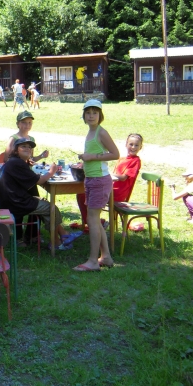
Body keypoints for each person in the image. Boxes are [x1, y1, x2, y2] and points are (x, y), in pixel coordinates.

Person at [0, 137, 73, 250]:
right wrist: (52, 172)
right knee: (51, 209)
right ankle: (55, 243)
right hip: (16, 203)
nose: (28, 149)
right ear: (16, 150)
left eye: (29, 147)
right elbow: (39, 181)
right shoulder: (18, 163)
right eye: (23, 146)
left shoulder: (15, 162)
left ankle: (62, 235)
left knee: (44, 202)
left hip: (9, 200)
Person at [74, 100, 120, 271]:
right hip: (91, 179)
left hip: (100, 180)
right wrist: (85, 160)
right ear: (84, 115)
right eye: (88, 112)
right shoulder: (90, 132)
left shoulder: (102, 132)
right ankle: (105, 257)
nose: (91, 115)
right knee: (94, 219)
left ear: (100, 115)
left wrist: (92, 157)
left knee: (92, 220)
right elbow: (95, 153)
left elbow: (115, 154)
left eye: (95, 112)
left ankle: (93, 261)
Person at [73, 133, 144, 231]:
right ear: (126, 144)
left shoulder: (135, 161)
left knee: (84, 194)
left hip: (118, 193)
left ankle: (92, 223)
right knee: (83, 192)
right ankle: (92, 222)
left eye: (136, 145)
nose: (133, 147)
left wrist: (108, 174)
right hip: (110, 187)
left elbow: (123, 177)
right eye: (131, 144)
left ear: (140, 147)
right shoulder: (122, 159)